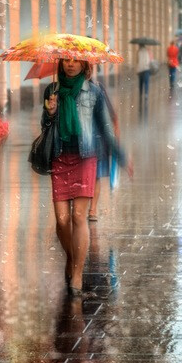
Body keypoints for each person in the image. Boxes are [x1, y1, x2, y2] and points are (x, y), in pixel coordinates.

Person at [42, 60, 131, 296]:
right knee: (62, 220)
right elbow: (45, 127)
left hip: (86, 157)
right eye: (67, 60)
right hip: (59, 158)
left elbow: (105, 128)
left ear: (84, 65)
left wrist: (121, 157)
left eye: (75, 61)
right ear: (61, 63)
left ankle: (78, 272)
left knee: (78, 216)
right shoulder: (52, 90)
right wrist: (50, 114)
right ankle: (72, 255)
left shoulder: (94, 92)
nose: (70, 65)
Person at [88, 75, 119, 222]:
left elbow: (110, 114)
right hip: (78, 142)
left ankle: (93, 208)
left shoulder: (97, 88)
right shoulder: (62, 91)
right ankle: (88, 208)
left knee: (96, 176)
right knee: (93, 176)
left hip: (97, 140)